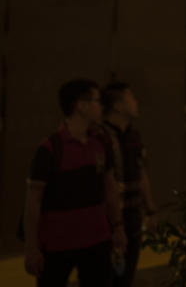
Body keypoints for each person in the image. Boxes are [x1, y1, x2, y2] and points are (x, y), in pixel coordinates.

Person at [24, 79, 127, 287]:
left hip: (97, 240)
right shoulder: (50, 149)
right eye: (97, 101)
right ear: (81, 105)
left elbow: (110, 188)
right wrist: (31, 248)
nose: (101, 107)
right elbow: (33, 200)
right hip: (56, 244)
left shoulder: (100, 143)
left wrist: (117, 226)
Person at [102, 82, 159, 287]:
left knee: (125, 276)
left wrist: (150, 210)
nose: (136, 103)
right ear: (117, 105)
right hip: (106, 218)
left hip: (133, 215)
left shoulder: (133, 135)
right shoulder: (101, 136)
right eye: (131, 98)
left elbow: (141, 171)